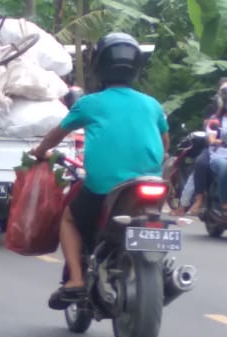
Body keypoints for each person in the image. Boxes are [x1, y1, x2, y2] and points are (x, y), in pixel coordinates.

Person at [29, 32, 169, 310]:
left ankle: (76, 281)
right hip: (151, 182)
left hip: (105, 185)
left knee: (69, 220)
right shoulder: (151, 104)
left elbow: (56, 135)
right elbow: (165, 143)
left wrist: (40, 151)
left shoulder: (90, 103)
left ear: (99, 66)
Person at [187, 81, 227, 215]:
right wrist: (218, 141)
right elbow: (210, 138)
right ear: (223, 101)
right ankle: (224, 203)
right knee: (223, 168)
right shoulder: (215, 119)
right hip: (219, 156)